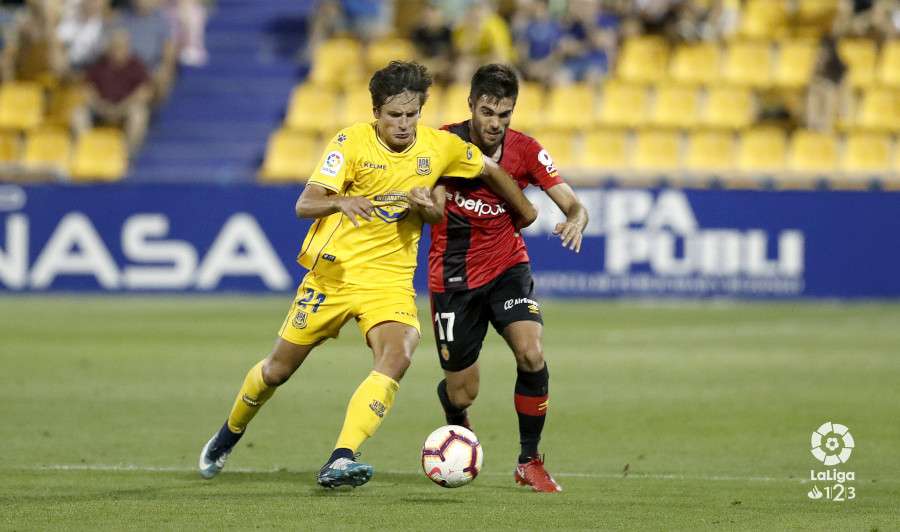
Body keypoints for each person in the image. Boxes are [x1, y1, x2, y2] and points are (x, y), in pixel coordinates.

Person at [198, 61, 537, 489]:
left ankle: (341, 457)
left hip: (390, 282)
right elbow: (305, 203)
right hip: (333, 278)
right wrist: (342, 202)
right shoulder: (351, 142)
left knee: (398, 355)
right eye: (394, 115)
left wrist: (522, 211)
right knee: (277, 371)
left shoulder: (438, 147)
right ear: (376, 113)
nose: (404, 124)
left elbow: (483, 171)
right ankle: (230, 432)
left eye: (411, 114)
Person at [427, 64, 588, 493]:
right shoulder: (444, 143)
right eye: (487, 112)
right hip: (453, 278)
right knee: (463, 392)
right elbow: (433, 205)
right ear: (471, 106)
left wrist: (576, 220)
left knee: (531, 353)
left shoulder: (527, 151)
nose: (495, 123)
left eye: (504, 114)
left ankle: (529, 460)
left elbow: (574, 204)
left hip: (507, 268)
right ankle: (455, 420)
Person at [74, 27, 151, 151]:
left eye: (121, 46)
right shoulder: (99, 63)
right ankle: (88, 150)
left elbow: (144, 92)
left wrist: (120, 108)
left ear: (128, 47)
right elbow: (86, 89)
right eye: (114, 46)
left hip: (125, 109)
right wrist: (101, 107)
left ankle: (126, 153)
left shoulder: (136, 65)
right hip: (100, 109)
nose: (118, 50)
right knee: (78, 114)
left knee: (139, 114)